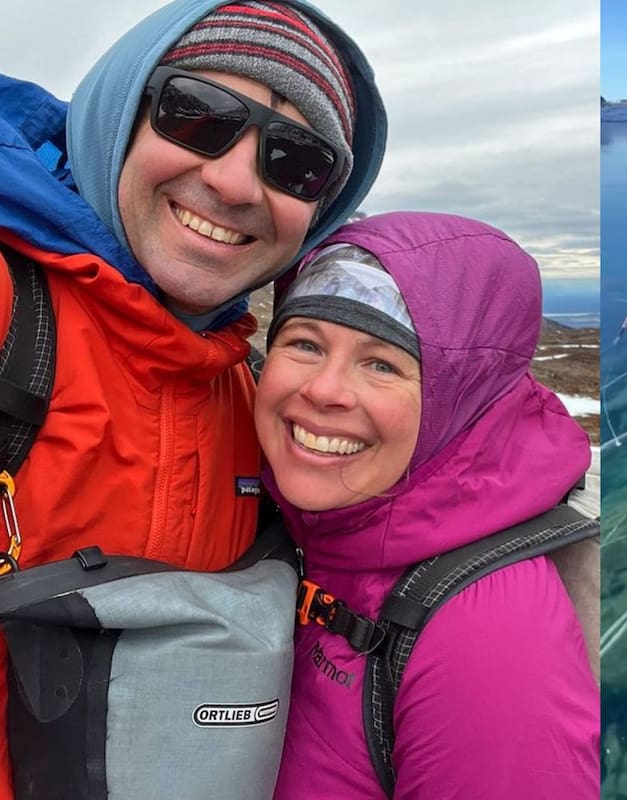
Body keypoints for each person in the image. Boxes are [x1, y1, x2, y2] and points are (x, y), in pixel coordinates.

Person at [0, 1, 386, 795]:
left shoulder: (252, 396)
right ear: (121, 116)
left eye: (297, 162)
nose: (234, 180)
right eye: (196, 114)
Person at [256, 211, 599, 799]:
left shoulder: (490, 643)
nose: (323, 390)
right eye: (305, 343)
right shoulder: (306, 523)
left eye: (382, 364)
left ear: (459, 399)